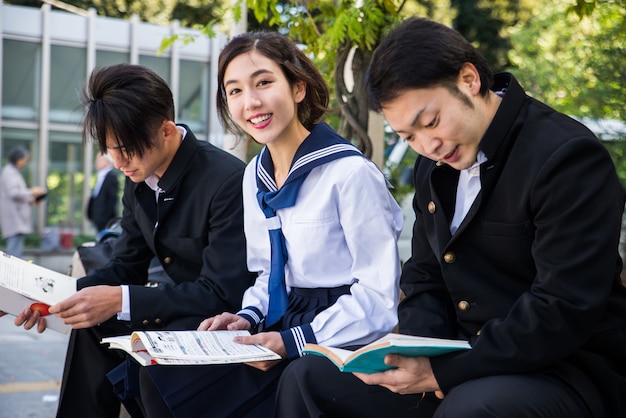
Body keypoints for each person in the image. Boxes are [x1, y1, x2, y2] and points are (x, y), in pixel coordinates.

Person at [274, 17, 626, 418]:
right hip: (456, 357)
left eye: (430, 122)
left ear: (469, 80)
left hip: (563, 370)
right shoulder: (434, 165)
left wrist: (443, 372)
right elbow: (424, 276)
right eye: (408, 137)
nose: (428, 145)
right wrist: (410, 353)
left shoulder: (566, 156)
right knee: (309, 378)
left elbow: (562, 308)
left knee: (468, 409)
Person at [136, 31, 404, 417]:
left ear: (297, 88)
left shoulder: (349, 173)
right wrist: (246, 316)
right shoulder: (254, 176)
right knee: (163, 374)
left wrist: (291, 341)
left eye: (263, 82)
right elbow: (267, 273)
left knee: (290, 384)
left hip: (339, 331)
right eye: (235, 91)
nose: (251, 102)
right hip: (277, 323)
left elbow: (379, 300)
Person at [13, 63, 256, 418]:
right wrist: (44, 298)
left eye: (126, 148)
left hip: (219, 319)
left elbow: (221, 293)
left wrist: (120, 299)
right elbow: (126, 264)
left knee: (146, 360)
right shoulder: (138, 176)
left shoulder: (227, 181)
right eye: (110, 148)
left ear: (167, 130)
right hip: (176, 310)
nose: (117, 161)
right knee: (89, 324)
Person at [0, 146, 47, 258]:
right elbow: (13, 193)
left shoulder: (13, 172)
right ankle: (9, 273)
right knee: (14, 251)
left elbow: (18, 195)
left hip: (17, 217)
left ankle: (10, 272)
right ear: (17, 159)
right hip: (13, 217)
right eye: (24, 160)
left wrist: (31, 200)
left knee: (16, 247)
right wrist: (32, 191)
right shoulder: (9, 173)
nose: (25, 162)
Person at [87, 152, 120, 233]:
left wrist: (105, 217)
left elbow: (112, 199)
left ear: (108, 161)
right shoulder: (101, 176)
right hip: (98, 218)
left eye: (99, 160)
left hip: (105, 219)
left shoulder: (111, 177)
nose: (96, 162)